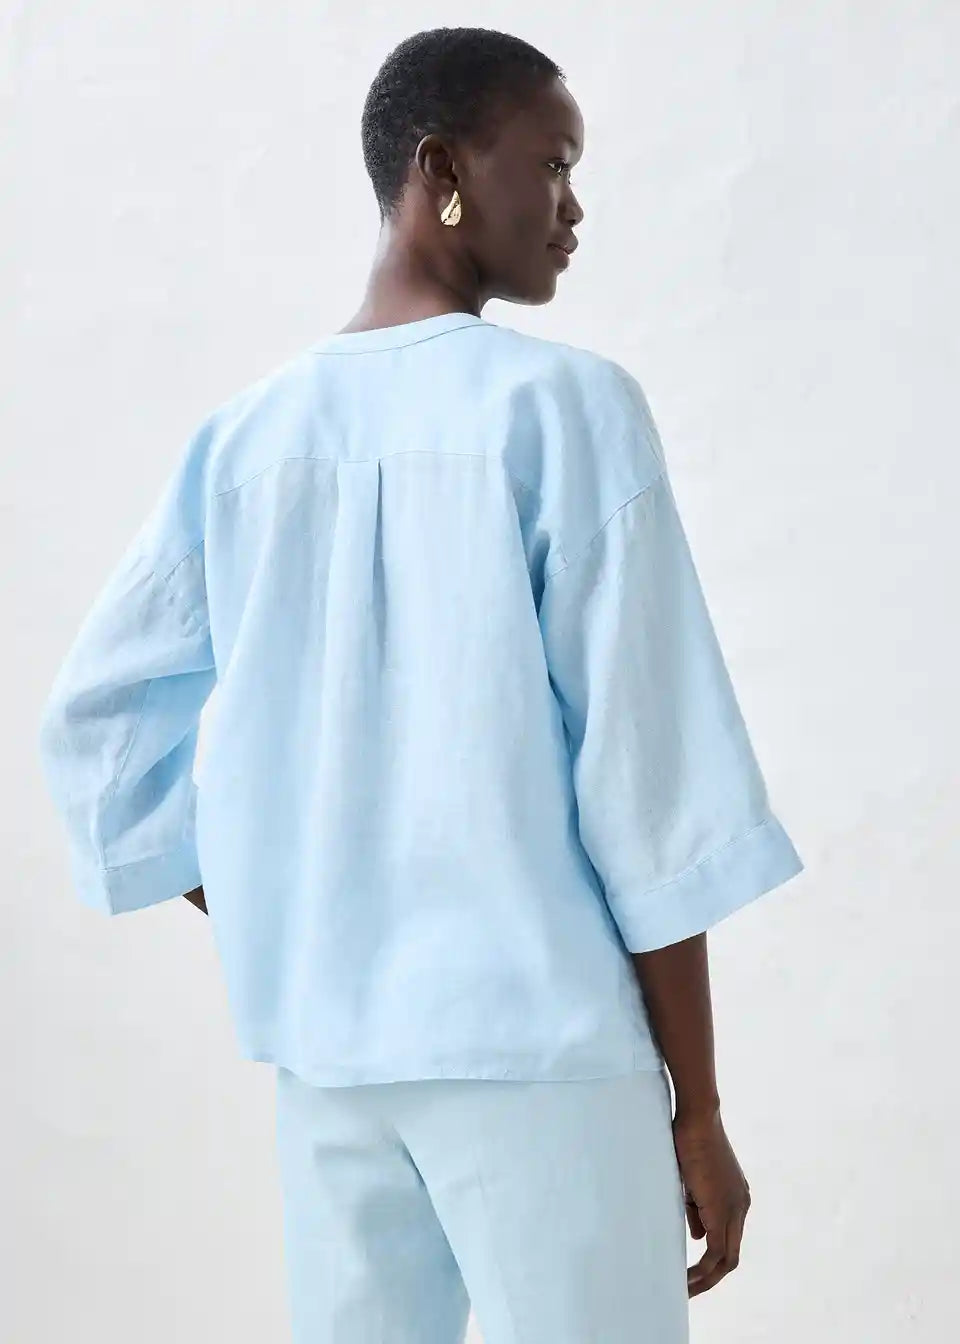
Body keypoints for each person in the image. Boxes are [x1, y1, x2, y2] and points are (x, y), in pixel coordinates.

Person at [37, 25, 804, 1344]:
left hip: (333, 1064)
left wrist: (275, 898)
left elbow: (96, 722)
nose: (573, 207)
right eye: (552, 164)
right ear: (442, 169)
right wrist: (702, 1107)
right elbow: (651, 784)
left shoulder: (249, 440)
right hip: (541, 1051)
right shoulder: (565, 410)